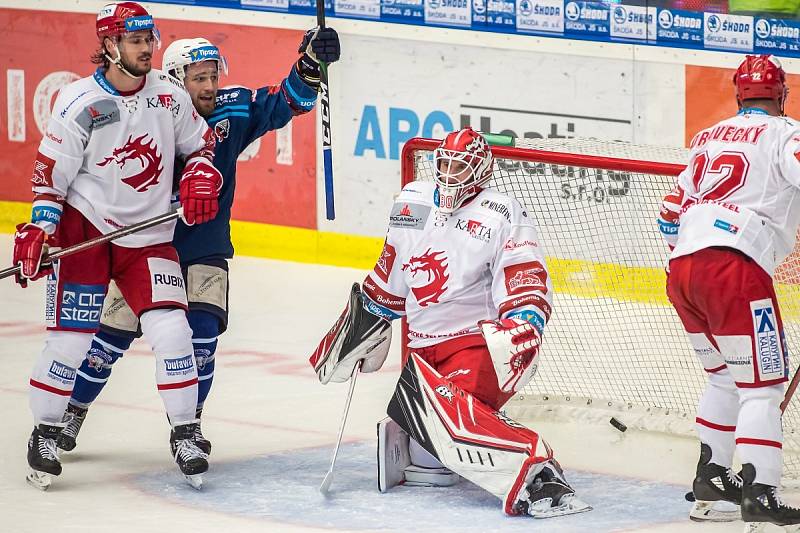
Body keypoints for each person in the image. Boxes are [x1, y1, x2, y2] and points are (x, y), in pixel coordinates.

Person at [55, 30, 340, 455]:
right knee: (107, 343)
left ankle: (187, 429)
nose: (209, 87)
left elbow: (287, 101)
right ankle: (72, 411)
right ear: (173, 80)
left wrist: (311, 64)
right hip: (144, 249)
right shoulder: (144, 114)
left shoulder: (232, 108)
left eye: (212, 77)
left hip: (204, 248)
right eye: (199, 79)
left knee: (202, 340)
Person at [309, 127, 591, 518]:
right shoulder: (413, 201)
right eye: (444, 164)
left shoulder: (502, 212)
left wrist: (523, 321)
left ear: (480, 172)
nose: (449, 174)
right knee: (429, 459)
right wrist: (365, 321)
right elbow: (390, 273)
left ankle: (539, 471)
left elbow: (525, 275)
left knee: (441, 424)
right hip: (423, 350)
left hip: (474, 345)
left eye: (460, 167)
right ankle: (466, 426)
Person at [14, 2, 224, 490]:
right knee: (70, 340)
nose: (148, 49)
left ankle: (185, 433)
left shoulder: (170, 97)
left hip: (148, 235)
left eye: (150, 39)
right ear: (109, 45)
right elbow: (50, 178)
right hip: (85, 231)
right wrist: (41, 230)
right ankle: (45, 432)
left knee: (173, 331)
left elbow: (202, 146)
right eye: (135, 41)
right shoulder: (77, 102)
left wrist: (199, 173)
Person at [659, 54, 800, 528]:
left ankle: (712, 475)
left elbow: (668, 213)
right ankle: (760, 494)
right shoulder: (787, 133)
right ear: (781, 94)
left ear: (739, 94)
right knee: (762, 389)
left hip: (682, 271)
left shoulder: (706, 137)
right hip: (734, 267)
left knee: (723, 377)